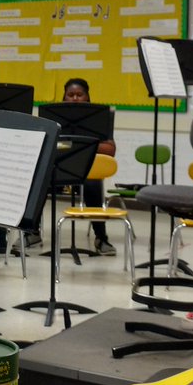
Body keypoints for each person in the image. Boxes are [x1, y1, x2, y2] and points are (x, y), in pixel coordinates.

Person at [62, 77, 118, 256]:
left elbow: (109, 149)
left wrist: (76, 144)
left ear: (87, 97)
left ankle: (101, 238)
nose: (75, 98)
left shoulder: (99, 116)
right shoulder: (56, 115)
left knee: (93, 185)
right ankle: (31, 234)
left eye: (79, 94)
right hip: (61, 168)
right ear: (64, 97)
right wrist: (89, 144)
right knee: (40, 180)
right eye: (70, 95)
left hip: (88, 169)